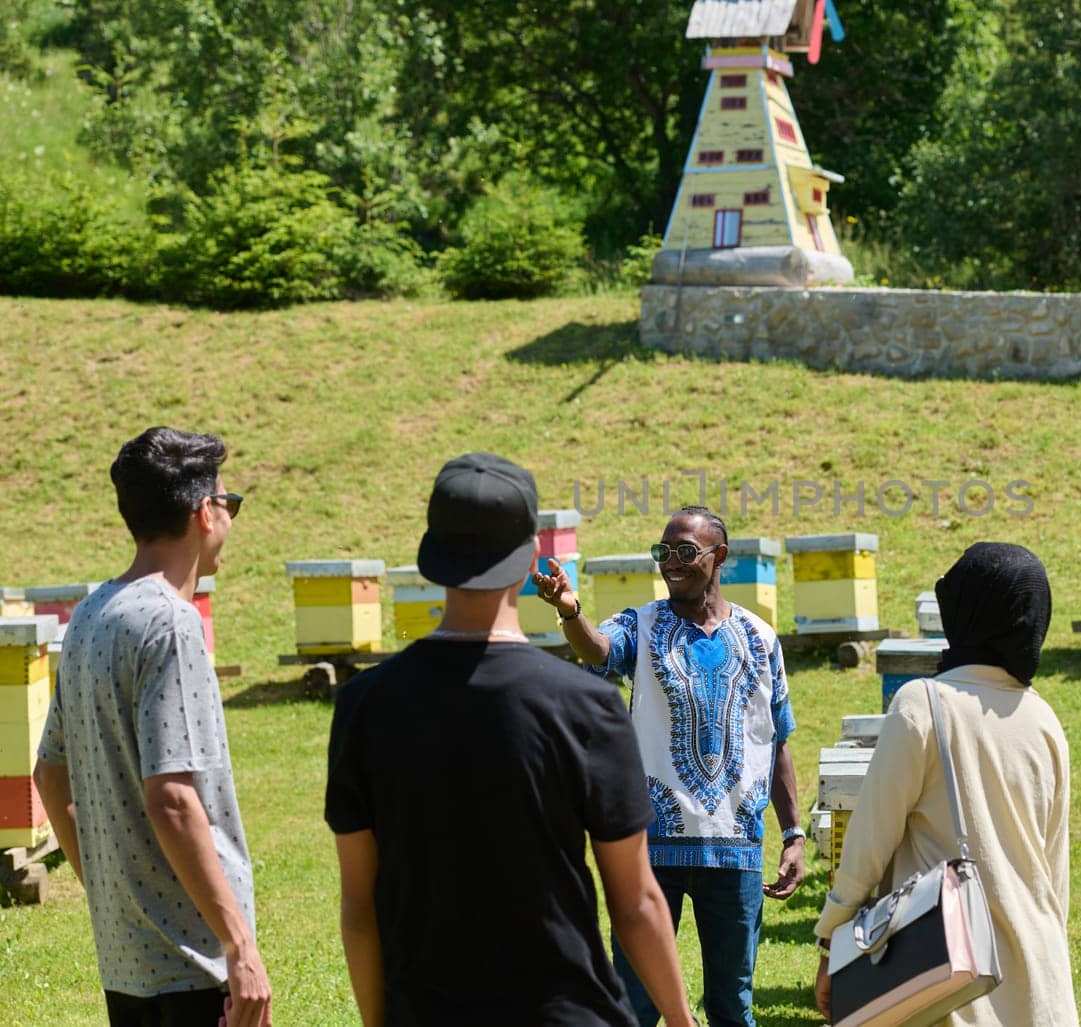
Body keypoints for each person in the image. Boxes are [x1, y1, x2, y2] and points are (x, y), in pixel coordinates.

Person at [325, 453, 696, 1026]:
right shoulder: (587, 706)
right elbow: (637, 901)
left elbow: (359, 905)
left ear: (431, 558)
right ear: (530, 558)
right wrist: (681, 1019)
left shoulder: (363, 705)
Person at [32, 426, 271, 1027]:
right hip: (194, 960)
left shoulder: (89, 614)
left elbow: (48, 773)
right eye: (230, 502)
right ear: (203, 512)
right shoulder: (171, 624)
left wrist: (105, 891)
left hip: (126, 960)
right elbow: (171, 799)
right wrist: (240, 947)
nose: (231, 518)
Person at [532, 506, 804, 1027]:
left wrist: (792, 833)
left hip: (735, 850)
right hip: (652, 847)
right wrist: (570, 613)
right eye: (664, 552)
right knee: (634, 1004)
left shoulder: (761, 638)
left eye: (685, 552)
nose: (671, 563)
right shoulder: (641, 624)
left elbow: (778, 740)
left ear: (718, 556)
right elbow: (598, 649)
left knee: (733, 1006)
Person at [811, 541, 1079, 1027]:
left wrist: (833, 938)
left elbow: (868, 842)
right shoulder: (1045, 720)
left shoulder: (923, 705)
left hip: (951, 978)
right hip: (1042, 984)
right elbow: (1054, 876)